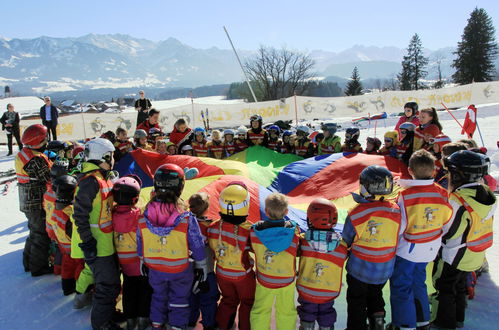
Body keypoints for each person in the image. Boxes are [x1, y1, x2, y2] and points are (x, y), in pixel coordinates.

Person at [136, 164, 208, 329]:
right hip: (180, 268)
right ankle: (177, 326)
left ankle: (156, 324)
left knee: (158, 296)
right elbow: (196, 242)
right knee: (179, 299)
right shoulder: (186, 217)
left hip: (154, 266)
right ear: (180, 187)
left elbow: (140, 238)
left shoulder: (144, 214)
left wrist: (142, 258)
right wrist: (202, 264)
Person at [388, 150, 453, 330]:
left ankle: (405, 324)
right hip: (430, 247)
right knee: (418, 282)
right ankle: (422, 320)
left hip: (408, 249)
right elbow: (447, 219)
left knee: (401, 287)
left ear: (410, 170)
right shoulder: (441, 192)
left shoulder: (405, 195)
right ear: (433, 171)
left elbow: (399, 225)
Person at [431, 150, 496, 329]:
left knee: (444, 288)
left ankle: (444, 323)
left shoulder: (458, 201)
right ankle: (458, 318)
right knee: (459, 286)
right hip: (474, 253)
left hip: (454, 254)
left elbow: (449, 232)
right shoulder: (486, 194)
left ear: (459, 175)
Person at [342, 165, 401, 330]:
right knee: (376, 295)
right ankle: (378, 322)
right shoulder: (396, 211)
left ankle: (356, 327)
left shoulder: (356, 213)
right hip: (384, 269)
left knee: (356, 300)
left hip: (359, 270)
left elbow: (346, 239)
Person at [71, 138, 121, 329]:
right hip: (97, 244)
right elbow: (79, 214)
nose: (113, 159)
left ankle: (108, 313)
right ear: (104, 156)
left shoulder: (101, 178)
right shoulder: (91, 181)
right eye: (112, 156)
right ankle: (101, 323)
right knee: (106, 285)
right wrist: (88, 241)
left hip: (106, 241)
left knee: (112, 282)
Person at [207, 182, 255, 330]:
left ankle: (223, 326)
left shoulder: (212, 227)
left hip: (221, 273)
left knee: (228, 300)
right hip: (243, 276)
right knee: (247, 302)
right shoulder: (249, 229)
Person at [249, 193, 300, 330]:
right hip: (286, 279)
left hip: (264, 278)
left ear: (266, 211)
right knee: (286, 311)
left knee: (260, 310)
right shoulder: (294, 232)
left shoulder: (255, 232)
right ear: (286, 212)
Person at [297, 198, 347, 330]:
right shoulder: (342, 245)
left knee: (307, 311)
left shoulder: (303, 241)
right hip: (329, 291)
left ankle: (307, 327)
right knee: (327, 311)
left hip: (307, 289)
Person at [112, 175, 152, 330]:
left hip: (123, 261)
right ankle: (143, 318)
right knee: (144, 289)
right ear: (135, 199)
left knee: (129, 288)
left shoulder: (111, 215)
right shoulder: (138, 216)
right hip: (140, 260)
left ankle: (130, 319)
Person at [15, 124, 53, 276]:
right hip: (36, 201)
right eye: (44, 139)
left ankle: (28, 262)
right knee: (41, 234)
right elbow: (50, 178)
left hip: (26, 200)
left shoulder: (23, 153)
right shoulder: (36, 159)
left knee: (34, 231)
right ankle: (38, 267)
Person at [188, 192, 220, 330]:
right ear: (207, 207)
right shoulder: (211, 226)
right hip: (207, 270)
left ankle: (189, 322)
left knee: (190, 298)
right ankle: (209, 323)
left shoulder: (184, 223)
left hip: (188, 270)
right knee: (209, 298)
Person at [52, 174, 85, 296]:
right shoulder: (70, 211)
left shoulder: (56, 208)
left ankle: (66, 287)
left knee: (67, 267)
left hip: (62, 244)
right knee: (79, 267)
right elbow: (74, 231)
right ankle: (79, 289)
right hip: (73, 246)